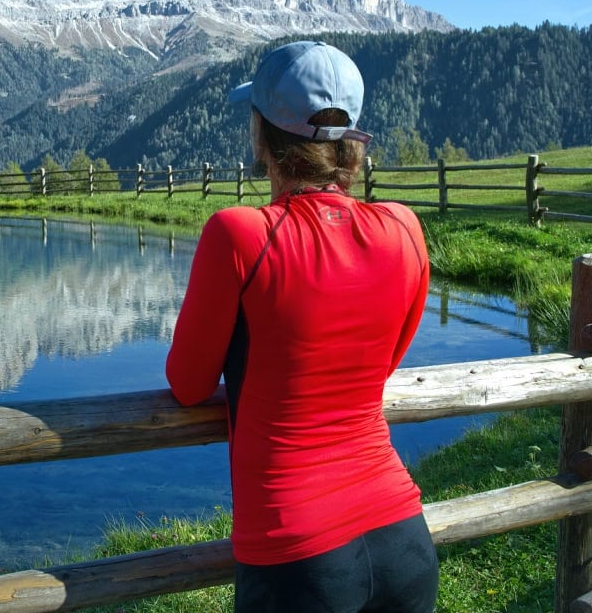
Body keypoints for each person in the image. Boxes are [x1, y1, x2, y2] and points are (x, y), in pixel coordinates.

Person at [165, 41, 438, 612]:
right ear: (350, 144)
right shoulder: (405, 229)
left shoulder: (239, 235)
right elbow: (384, 362)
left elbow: (189, 385)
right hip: (402, 534)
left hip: (296, 553)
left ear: (262, 136)